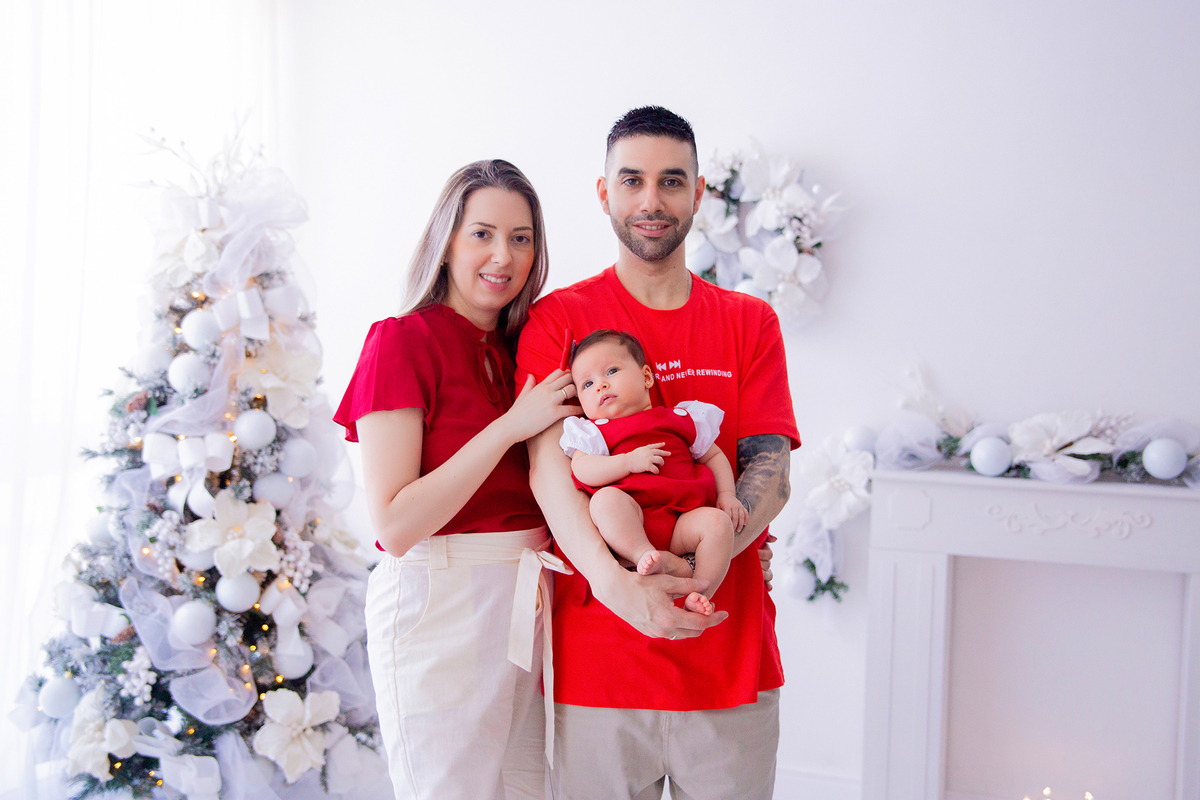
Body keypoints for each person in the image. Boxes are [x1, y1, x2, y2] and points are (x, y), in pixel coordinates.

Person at [517, 107, 800, 799]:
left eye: (672, 181)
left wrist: (692, 569)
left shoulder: (748, 321)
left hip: (727, 664)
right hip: (597, 667)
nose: (651, 200)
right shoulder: (559, 320)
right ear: (604, 192)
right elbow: (550, 474)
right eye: (632, 180)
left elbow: (773, 475)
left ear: (699, 192)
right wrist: (620, 588)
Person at [334, 160, 579, 800]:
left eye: (521, 238)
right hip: (438, 610)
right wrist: (508, 428)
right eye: (483, 234)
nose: (503, 255)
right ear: (446, 240)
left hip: (531, 605)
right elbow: (394, 523)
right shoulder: (401, 342)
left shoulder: (530, 348)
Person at [560, 328, 745, 615]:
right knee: (604, 502)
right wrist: (626, 463)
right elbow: (582, 469)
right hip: (634, 518)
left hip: (682, 521)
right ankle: (642, 553)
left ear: (646, 377)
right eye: (587, 384)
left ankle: (699, 590)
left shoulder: (680, 418)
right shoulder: (595, 433)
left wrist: (728, 495)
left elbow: (714, 455)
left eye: (611, 371)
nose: (601, 386)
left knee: (718, 524)